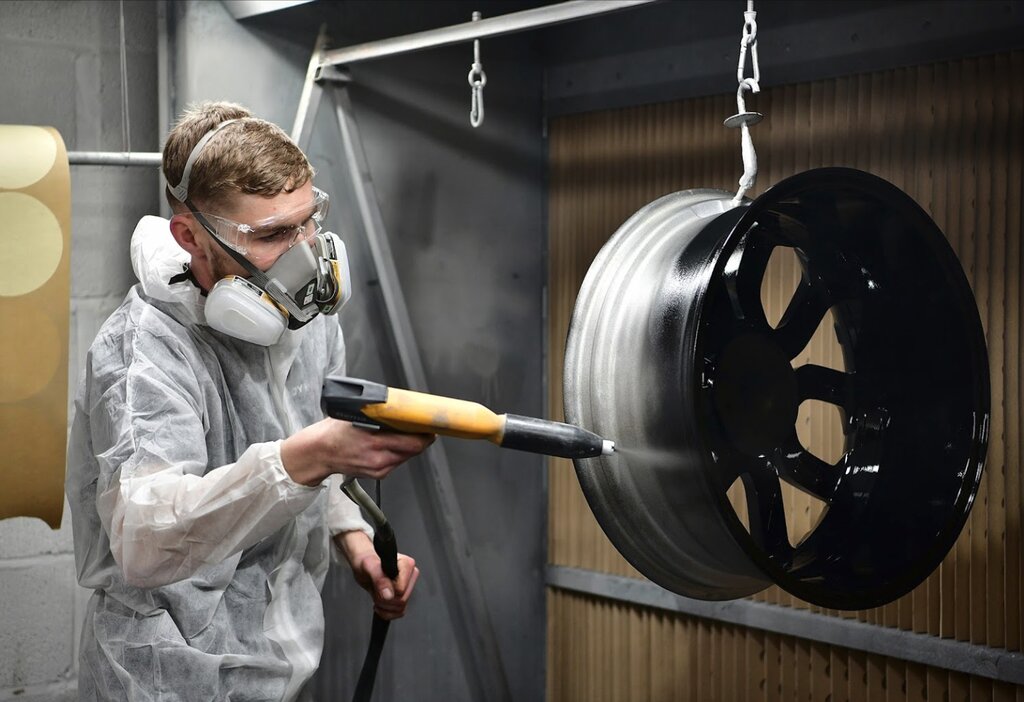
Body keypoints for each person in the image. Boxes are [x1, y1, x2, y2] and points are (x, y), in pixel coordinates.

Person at [65, 100, 433, 701]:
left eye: (308, 221)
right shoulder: (144, 350)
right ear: (190, 237)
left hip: (279, 665)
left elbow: (319, 449)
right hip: (167, 678)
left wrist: (356, 544)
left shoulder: (303, 318)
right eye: (272, 235)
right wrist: (304, 458)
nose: (305, 254)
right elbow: (145, 538)